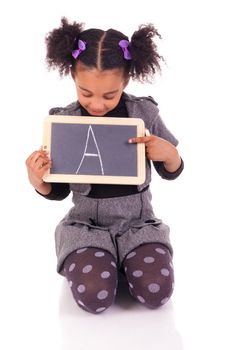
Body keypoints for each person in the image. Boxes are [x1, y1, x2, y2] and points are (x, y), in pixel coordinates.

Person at [26, 17, 184, 314]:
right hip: (86, 227)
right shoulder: (66, 121)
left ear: (125, 81)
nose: (97, 105)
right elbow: (58, 189)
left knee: (156, 294)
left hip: (138, 225)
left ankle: (127, 256)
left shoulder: (144, 113)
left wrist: (168, 154)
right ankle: (104, 259)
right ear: (73, 77)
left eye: (109, 95)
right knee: (95, 298)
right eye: (86, 93)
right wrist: (39, 181)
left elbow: (172, 169)